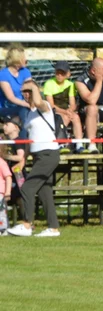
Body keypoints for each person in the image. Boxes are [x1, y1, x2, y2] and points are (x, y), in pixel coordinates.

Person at [4, 82, 62, 237]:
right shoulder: (29, 114)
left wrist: (33, 86)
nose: (26, 94)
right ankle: (53, 228)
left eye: (29, 91)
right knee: (44, 191)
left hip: (49, 154)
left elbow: (37, 101)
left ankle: (27, 224)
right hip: (38, 155)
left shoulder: (45, 107)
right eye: (24, 91)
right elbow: (31, 138)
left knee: (27, 188)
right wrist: (24, 158)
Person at [41, 61, 85, 151]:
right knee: (63, 118)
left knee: (75, 117)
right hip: (54, 112)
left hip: (66, 111)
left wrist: (70, 111)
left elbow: (72, 103)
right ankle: (61, 142)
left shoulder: (70, 85)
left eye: (62, 73)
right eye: (58, 73)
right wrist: (65, 112)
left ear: (67, 74)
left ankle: (79, 144)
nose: (60, 75)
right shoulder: (49, 84)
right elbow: (51, 105)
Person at [0, 46, 32, 115]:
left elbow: (30, 90)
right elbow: (10, 97)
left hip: (24, 104)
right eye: (23, 57)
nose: (26, 59)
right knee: (24, 111)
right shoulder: (3, 75)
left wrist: (32, 103)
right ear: (17, 59)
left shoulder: (25, 71)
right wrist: (27, 105)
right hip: (7, 107)